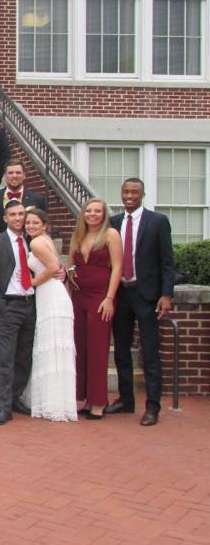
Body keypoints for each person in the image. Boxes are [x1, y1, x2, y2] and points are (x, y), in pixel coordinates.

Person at [107, 178, 176, 426]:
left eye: (134, 192)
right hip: (121, 294)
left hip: (146, 295)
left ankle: (152, 407)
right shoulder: (113, 222)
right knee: (122, 351)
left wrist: (166, 294)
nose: (129, 196)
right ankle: (126, 400)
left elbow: (167, 262)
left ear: (143, 194)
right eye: (125, 191)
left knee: (149, 352)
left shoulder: (157, 222)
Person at [0, 200, 37, 425]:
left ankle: (15, 398)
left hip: (30, 304)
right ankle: (3, 407)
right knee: (5, 358)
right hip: (9, 305)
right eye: (13, 214)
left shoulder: (33, 241)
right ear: (5, 218)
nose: (18, 218)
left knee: (24, 356)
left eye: (21, 214)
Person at [68, 198, 122, 420]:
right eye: (88, 211)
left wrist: (110, 298)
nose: (92, 214)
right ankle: (82, 398)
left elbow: (118, 267)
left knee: (98, 349)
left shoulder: (111, 235)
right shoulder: (78, 235)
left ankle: (98, 402)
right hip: (79, 297)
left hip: (101, 297)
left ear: (104, 214)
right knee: (79, 347)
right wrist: (69, 276)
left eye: (97, 211)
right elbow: (71, 263)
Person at [22, 209, 77, 422]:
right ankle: (55, 400)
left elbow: (54, 267)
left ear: (44, 224)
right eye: (28, 223)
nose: (30, 226)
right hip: (53, 293)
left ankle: (53, 402)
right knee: (51, 347)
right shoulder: (45, 240)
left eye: (35, 223)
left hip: (50, 294)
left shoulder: (36, 243)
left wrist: (33, 283)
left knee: (51, 346)